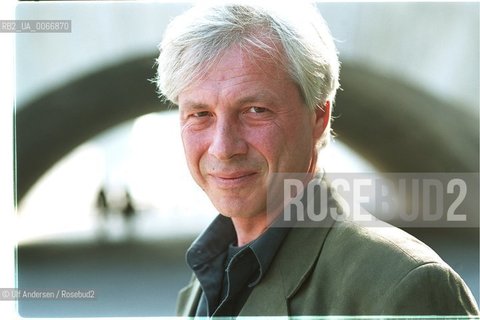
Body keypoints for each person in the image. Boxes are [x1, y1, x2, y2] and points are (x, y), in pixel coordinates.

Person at [155, 2, 479, 317]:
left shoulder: (403, 288)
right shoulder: (208, 277)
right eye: (200, 114)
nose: (223, 147)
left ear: (319, 117)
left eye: (256, 111)